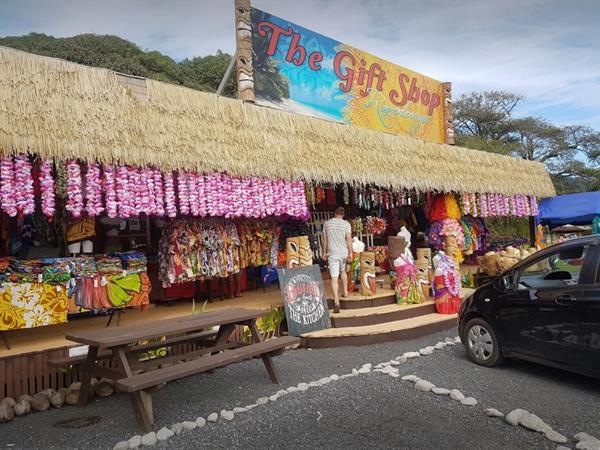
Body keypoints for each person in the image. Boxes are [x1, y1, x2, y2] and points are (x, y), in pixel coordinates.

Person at [323, 207, 352, 313]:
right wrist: (350, 253)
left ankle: (336, 302)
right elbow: (348, 239)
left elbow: (325, 239)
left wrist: (324, 253)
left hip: (332, 253)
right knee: (343, 271)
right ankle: (345, 292)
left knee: (334, 278)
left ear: (334, 213)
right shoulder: (346, 224)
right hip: (343, 252)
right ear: (343, 215)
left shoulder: (327, 223)